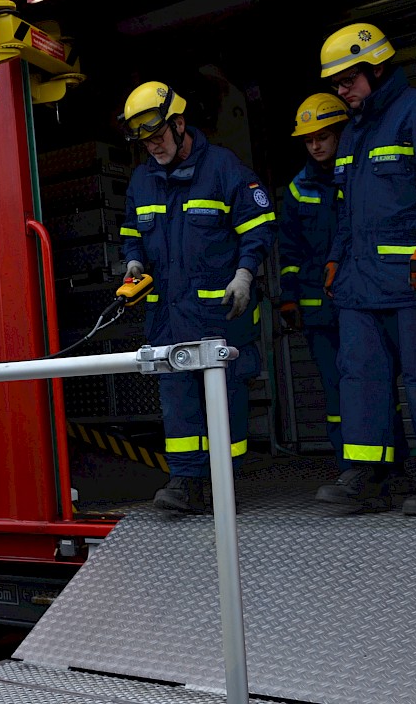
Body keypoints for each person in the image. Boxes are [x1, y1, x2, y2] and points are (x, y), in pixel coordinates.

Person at [317, 23, 416, 516]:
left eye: (348, 79)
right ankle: (370, 477)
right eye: (336, 83)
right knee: (360, 380)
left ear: (377, 67)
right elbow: (349, 210)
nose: (340, 91)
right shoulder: (355, 134)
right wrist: (335, 259)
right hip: (362, 287)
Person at [118, 81, 277, 514]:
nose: (152, 147)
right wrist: (133, 264)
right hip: (168, 318)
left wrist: (245, 275)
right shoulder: (142, 180)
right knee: (178, 403)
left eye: (157, 136)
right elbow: (133, 235)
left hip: (219, 316)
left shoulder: (225, 170)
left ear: (179, 123)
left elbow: (258, 229)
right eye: (144, 141)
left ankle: (223, 484)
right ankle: (185, 483)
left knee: (227, 402)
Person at [278, 94, 411, 499]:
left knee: (380, 386)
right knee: (338, 395)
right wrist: (289, 298)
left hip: (368, 299)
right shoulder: (299, 189)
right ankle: (353, 471)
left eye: (323, 136)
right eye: (308, 140)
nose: (316, 146)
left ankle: (395, 468)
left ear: (341, 132)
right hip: (322, 312)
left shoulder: (359, 175)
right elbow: (290, 250)